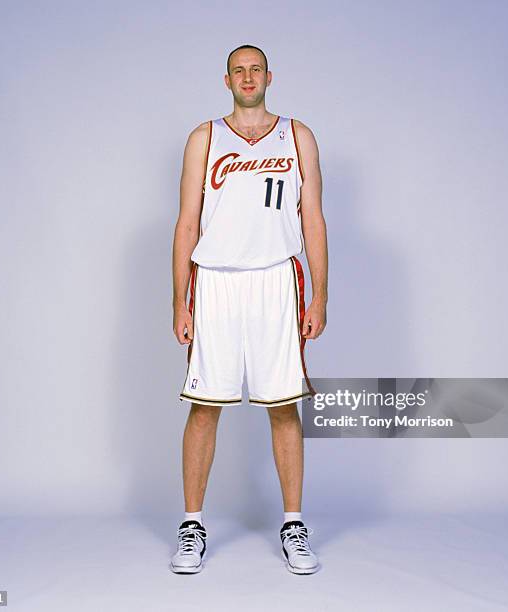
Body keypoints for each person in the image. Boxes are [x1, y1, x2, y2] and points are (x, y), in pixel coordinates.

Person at [170, 44, 328, 575]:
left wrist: (320, 295)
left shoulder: (298, 135)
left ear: (269, 76)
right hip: (214, 282)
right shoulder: (204, 138)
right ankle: (192, 524)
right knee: (204, 405)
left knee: (283, 405)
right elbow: (186, 222)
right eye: (238, 70)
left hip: (276, 281)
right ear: (226, 79)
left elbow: (314, 222)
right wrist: (179, 300)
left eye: (255, 68)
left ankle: (293, 524)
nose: (247, 77)